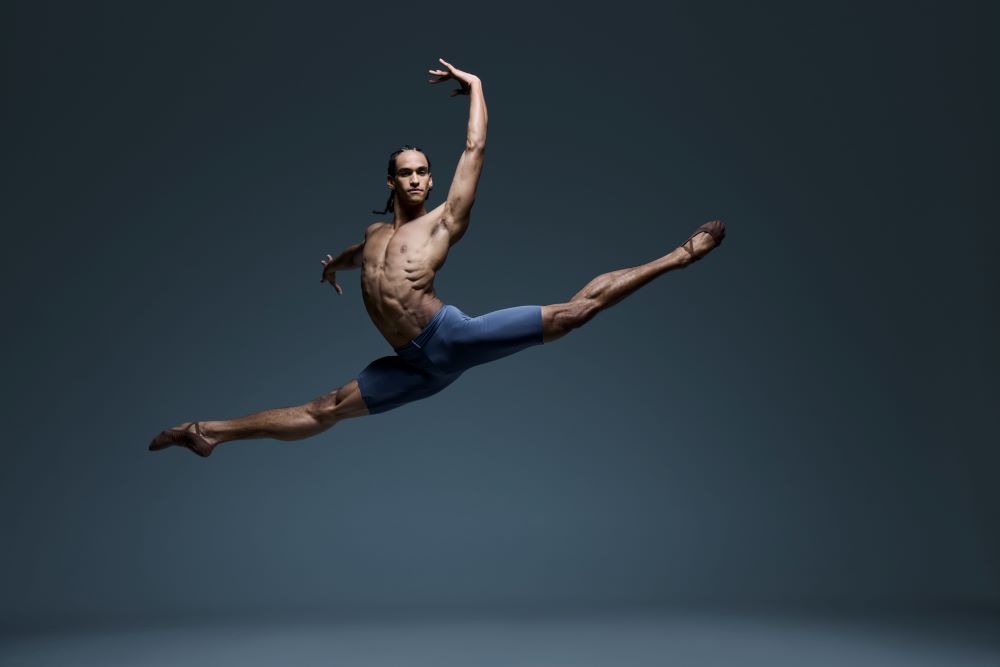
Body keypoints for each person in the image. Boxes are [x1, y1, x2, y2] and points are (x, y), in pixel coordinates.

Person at [149, 58, 726, 458]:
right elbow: (360, 257)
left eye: (425, 170)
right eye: (409, 172)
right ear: (390, 179)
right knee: (323, 409)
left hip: (449, 340)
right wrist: (333, 266)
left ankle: (678, 255)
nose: (420, 179)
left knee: (573, 315)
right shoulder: (375, 235)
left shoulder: (443, 221)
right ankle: (206, 433)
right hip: (409, 365)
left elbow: (475, 148)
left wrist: (475, 85)